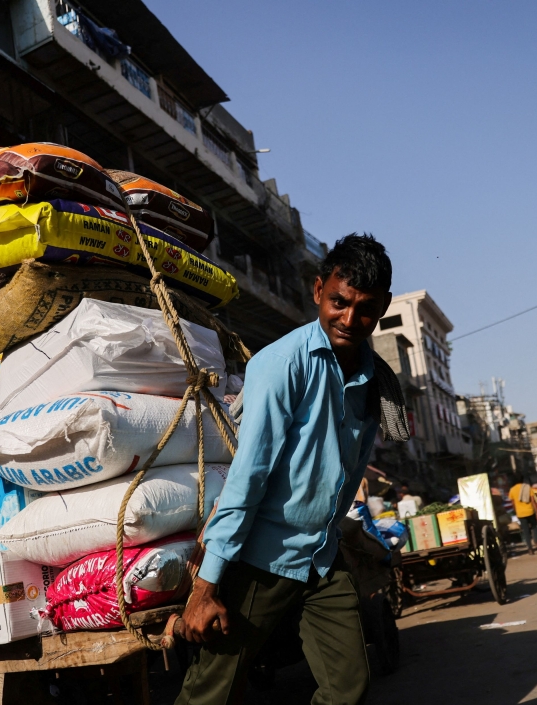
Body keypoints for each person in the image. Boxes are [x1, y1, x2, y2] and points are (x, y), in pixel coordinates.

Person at [176, 234, 397, 705]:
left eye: (365, 309)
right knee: (209, 693)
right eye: (340, 302)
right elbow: (248, 476)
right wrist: (206, 586)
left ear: (383, 309)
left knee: (348, 687)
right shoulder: (281, 365)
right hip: (261, 556)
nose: (350, 319)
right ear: (318, 290)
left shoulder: (374, 378)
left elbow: (349, 471)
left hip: (321, 556)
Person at [508, 476, 537, 554]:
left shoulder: (512, 490)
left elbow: (513, 503)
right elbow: (533, 501)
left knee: (526, 531)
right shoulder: (528, 487)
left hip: (521, 514)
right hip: (530, 511)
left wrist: (516, 512)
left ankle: (530, 549)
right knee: (535, 528)